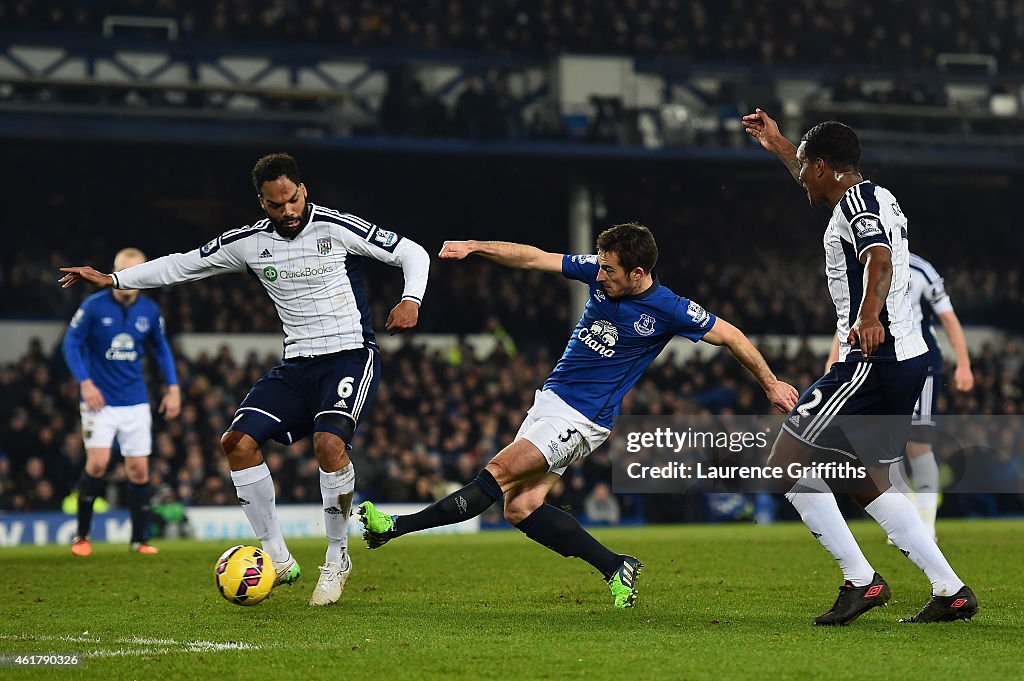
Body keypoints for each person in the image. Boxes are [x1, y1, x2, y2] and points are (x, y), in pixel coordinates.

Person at [358, 223, 799, 609]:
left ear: (639, 274)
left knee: (497, 474)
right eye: (601, 266)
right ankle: (616, 567)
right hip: (549, 402)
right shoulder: (600, 271)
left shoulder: (669, 308)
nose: (600, 274)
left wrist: (770, 383)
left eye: (610, 270)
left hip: (583, 419)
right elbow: (532, 258)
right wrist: (476, 245)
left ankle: (395, 527)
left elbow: (732, 336)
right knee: (521, 507)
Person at [59, 153, 430, 607]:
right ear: (262, 203)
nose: (288, 211)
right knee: (236, 443)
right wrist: (113, 278)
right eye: (276, 205)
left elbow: (411, 250)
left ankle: (337, 558)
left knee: (329, 446)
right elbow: (181, 265)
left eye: (292, 200)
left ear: (303, 190)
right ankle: (276, 556)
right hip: (296, 364)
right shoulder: (249, 243)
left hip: (349, 355)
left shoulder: (337, 228)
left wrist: (411, 297)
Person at [742, 109, 978, 624]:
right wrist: (783, 145)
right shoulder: (870, 194)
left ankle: (862, 581)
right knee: (865, 479)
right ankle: (951, 591)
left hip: (875, 357)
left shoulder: (857, 202)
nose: (800, 176)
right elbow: (845, 211)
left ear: (823, 166)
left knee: (785, 464)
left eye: (805, 167)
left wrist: (869, 316)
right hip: (905, 360)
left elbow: (878, 255)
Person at [826, 252, 974, 540]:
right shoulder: (863, 268)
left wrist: (964, 364)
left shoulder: (921, 270)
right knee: (884, 452)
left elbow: (949, 319)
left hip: (922, 365)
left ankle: (927, 526)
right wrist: (834, 363)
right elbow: (846, 324)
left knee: (918, 444)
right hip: (880, 367)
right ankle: (910, 516)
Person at [61, 247, 181, 556]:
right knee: (98, 464)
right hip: (99, 400)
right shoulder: (93, 306)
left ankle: (138, 540)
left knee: (139, 471)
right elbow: (71, 343)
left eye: (138, 272)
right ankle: (82, 536)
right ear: (115, 273)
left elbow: (162, 349)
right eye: (127, 272)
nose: (133, 279)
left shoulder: (150, 311)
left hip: (135, 400)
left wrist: (173, 387)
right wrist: (85, 383)